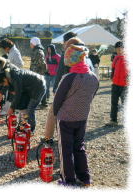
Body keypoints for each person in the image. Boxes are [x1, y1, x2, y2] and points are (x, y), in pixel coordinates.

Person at [54, 37, 99, 186]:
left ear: (70, 60)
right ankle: (85, 178)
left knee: (65, 150)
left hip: (66, 118)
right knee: (79, 146)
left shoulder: (68, 77)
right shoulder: (94, 78)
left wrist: (56, 113)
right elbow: (91, 96)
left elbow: (57, 100)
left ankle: (69, 180)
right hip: (82, 117)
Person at [43, 32, 77, 143]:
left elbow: (60, 71)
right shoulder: (82, 52)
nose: (63, 44)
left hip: (64, 86)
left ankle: (48, 137)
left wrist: (55, 88)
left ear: (67, 41)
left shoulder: (67, 52)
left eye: (64, 42)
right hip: (78, 87)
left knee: (54, 112)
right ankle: (70, 137)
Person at [0, 68, 46, 133]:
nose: (4, 85)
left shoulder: (15, 78)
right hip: (29, 88)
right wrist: (1, 93)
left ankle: (31, 130)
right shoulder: (8, 75)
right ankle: (23, 126)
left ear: (4, 79)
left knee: (30, 108)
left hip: (39, 86)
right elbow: (7, 87)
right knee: (22, 107)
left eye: (3, 83)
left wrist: (11, 108)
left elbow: (17, 95)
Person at [106, 41, 128, 126]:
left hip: (125, 85)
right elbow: (113, 69)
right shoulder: (116, 58)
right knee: (114, 103)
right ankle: (113, 120)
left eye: (120, 49)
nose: (119, 50)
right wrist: (112, 78)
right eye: (117, 49)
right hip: (115, 84)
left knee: (125, 103)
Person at [29, 37, 48, 108]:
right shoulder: (36, 50)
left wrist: (42, 73)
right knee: (39, 87)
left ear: (34, 43)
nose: (30, 45)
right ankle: (42, 102)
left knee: (40, 87)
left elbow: (42, 63)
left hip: (38, 74)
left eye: (31, 43)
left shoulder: (38, 51)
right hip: (35, 73)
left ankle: (43, 102)